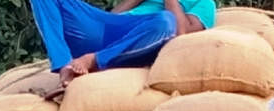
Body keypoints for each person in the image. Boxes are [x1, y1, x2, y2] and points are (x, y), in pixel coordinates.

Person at [29, 0, 217, 85]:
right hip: (109, 30)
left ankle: (93, 60)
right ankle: (63, 63)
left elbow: (180, 33)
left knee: (166, 21)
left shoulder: (205, 3)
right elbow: (114, 16)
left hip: (143, 37)